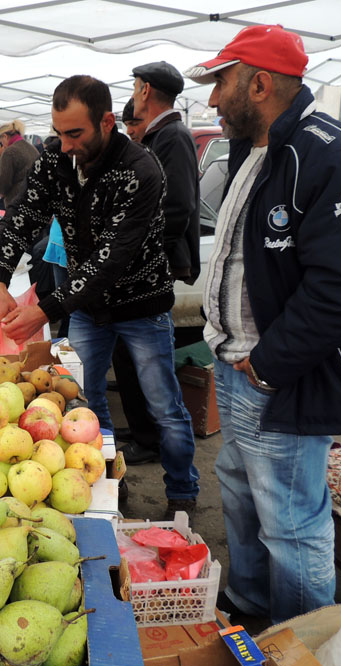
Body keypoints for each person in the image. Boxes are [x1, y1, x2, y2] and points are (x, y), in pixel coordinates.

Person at [184, 24, 341, 624]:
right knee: (239, 493)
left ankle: (297, 640)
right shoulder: (259, 149)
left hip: (279, 376)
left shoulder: (330, 155)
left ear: (259, 83)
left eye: (221, 83)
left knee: (291, 521)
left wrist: (269, 364)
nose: (212, 99)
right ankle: (250, 606)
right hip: (240, 365)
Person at [0, 75, 199, 520]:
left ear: (106, 121)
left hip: (141, 305)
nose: (64, 145)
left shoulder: (141, 169)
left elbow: (110, 259)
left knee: (164, 407)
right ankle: (106, 483)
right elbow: (20, 219)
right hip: (87, 308)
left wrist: (45, 309)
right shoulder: (54, 162)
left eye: (75, 134)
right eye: (59, 132)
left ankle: (182, 492)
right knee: (85, 403)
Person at [112, 61, 201, 470]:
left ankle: (152, 441)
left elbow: (177, 208)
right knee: (128, 358)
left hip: (150, 270)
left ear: (145, 90)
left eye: (134, 86)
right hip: (140, 268)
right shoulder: (161, 134)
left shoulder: (173, 137)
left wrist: (136, 250)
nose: (132, 93)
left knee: (146, 362)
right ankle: (142, 429)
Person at [0, 120, 39, 209]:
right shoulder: (32, 148)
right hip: (35, 200)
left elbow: (4, 181)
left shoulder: (9, 152)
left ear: (5, 136)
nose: (3, 145)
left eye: (1, 141)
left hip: (17, 202)